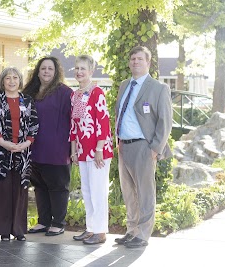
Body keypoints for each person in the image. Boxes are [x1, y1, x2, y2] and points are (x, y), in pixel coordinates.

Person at [114, 46, 172, 248]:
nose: (135, 61)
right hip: (124, 146)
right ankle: (132, 231)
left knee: (145, 192)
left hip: (144, 147)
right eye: (132, 58)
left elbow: (165, 122)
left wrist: (155, 148)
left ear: (148, 62)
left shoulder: (158, 88)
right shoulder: (124, 85)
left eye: (140, 58)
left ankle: (143, 234)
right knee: (129, 192)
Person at [0, 67, 39, 241]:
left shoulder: (28, 101)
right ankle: (4, 231)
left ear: (20, 81)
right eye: (8, 78)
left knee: (21, 191)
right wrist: (4, 143)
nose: (12, 81)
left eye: (15, 77)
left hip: (23, 153)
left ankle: (19, 230)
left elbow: (34, 125)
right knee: (3, 191)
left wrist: (26, 143)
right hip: (1, 153)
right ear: (3, 81)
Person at [23, 57, 72, 236]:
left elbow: (73, 120)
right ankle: (43, 221)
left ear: (56, 71)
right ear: (38, 71)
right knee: (40, 186)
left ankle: (58, 223)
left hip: (56, 149)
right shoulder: (31, 91)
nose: (46, 72)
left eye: (50, 69)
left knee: (58, 187)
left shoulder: (64, 92)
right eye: (43, 68)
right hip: (34, 148)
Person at [70, 55, 113, 245]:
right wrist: (73, 150)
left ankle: (101, 231)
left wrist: (99, 149)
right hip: (81, 149)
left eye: (83, 69)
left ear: (91, 71)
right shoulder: (75, 95)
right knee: (87, 190)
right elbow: (73, 125)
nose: (79, 72)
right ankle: (90, 228)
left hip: (98, 150)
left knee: (98, 190)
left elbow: (103, 122)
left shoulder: (97, 93)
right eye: (77, 68)